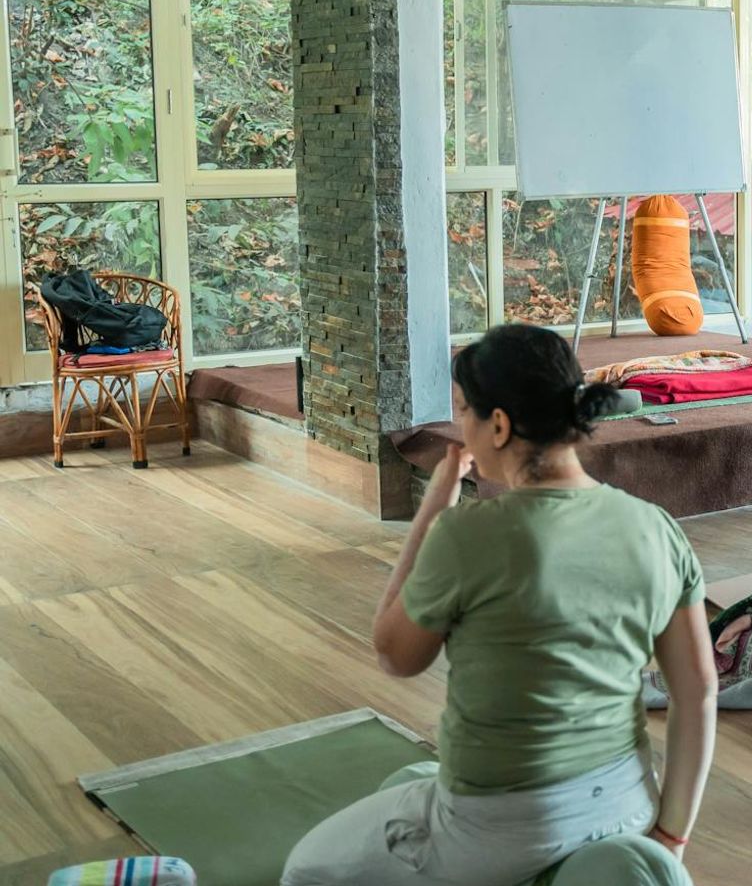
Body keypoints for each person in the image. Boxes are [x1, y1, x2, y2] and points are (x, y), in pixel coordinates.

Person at [282, 325, 717, 886]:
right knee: (410, 783)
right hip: (627, 804)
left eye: (465, 411)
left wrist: (434, 505)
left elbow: (396, 654)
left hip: (499, 827)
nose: (461, 427)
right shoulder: (657, 527)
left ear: (500, 425)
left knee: (307, 870)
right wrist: (672, 835)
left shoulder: (469, 533)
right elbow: (697, 692)